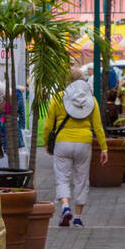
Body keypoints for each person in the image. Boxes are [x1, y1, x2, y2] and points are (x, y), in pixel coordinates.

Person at [44, 76, 108, 227]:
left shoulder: (58, 98)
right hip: (84, 143)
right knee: (82, 179)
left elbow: (47, 125)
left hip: (62, 142)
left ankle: (65, 207)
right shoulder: (91, 100)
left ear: (68, 81)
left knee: (62, 177)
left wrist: (47, 142)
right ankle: (78, 218)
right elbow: (98, 127)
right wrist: (104, 147)